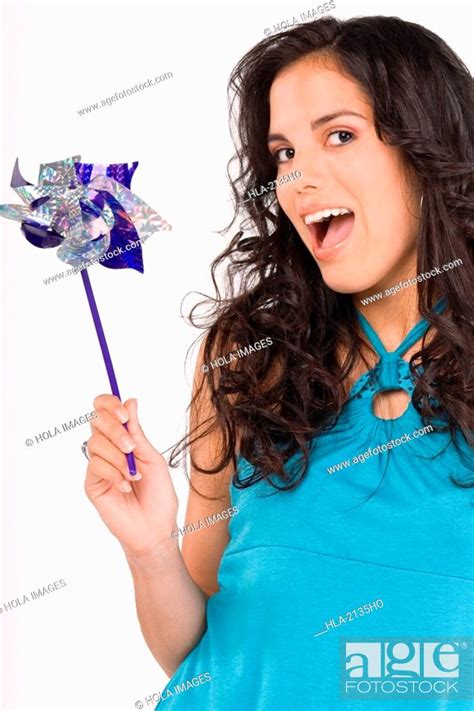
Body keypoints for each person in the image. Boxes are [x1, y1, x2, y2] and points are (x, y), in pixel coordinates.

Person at [82, 15, 473, 710]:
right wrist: (149, 549)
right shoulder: (245, 359)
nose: (296, 180)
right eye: (284, 154)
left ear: (428, 148)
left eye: (340, 136)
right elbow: (199, 651)